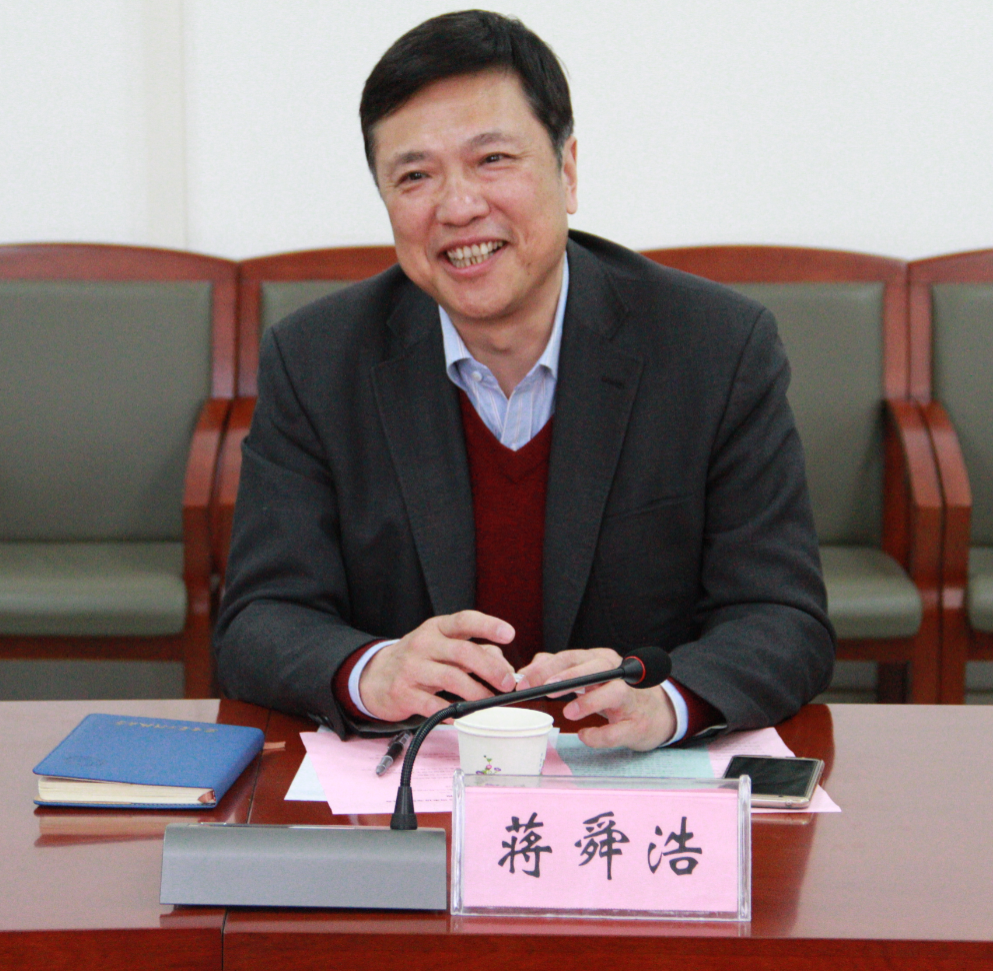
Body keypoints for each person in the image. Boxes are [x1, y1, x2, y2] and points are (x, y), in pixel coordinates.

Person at [214, 10, 835, 750]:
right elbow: (257, 619)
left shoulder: (715, 348)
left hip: (623, 781)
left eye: (492, 159)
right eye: (415, 176)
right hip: (416, 775)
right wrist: (371, 670)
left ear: (567, 171)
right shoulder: (315, 360)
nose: (458, 207)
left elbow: (782, 618)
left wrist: (668, 700)